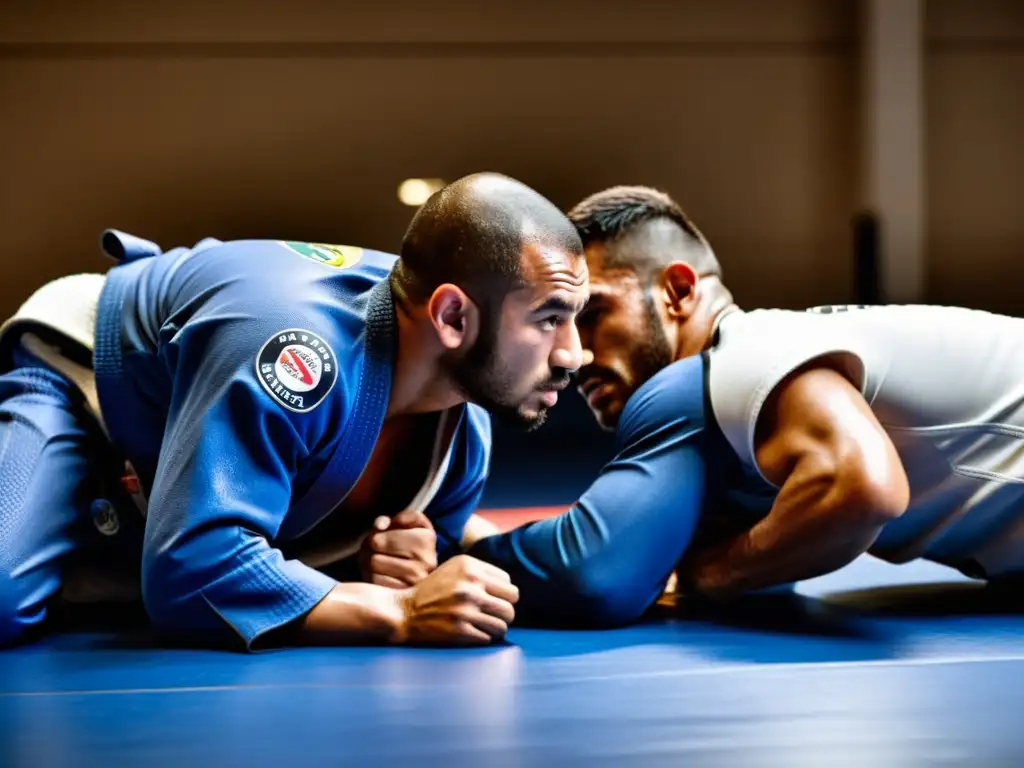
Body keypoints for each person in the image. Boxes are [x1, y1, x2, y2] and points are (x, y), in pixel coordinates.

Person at [0, 171, 589, 650]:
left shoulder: (464, 436)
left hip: (173, 452)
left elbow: (412, 553)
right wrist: (398, 611)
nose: (574, 353)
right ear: (454, 318)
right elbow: (189, 570)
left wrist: (401, 560)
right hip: (88, 382)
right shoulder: (296, 356)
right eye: (548, 319)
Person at [468, 183, 1024, 627]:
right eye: (556, 321)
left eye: (593, 314)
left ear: (679, 292)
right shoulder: (754, 402)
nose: (575, 352)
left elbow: (863, 487)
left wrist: (715, 574)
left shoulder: (740, 356)